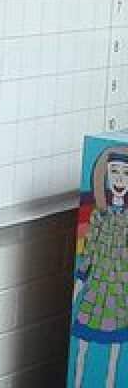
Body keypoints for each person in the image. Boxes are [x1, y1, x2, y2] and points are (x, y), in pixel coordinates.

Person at [72, 148, 128, 387]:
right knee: (82, 347)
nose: (119, 179)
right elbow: (88, 254)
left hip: (119, 294)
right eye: (114, 171)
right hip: (96, 288)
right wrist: (77, 287)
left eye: (126, 173)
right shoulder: (99, 216)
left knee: (115, 355)